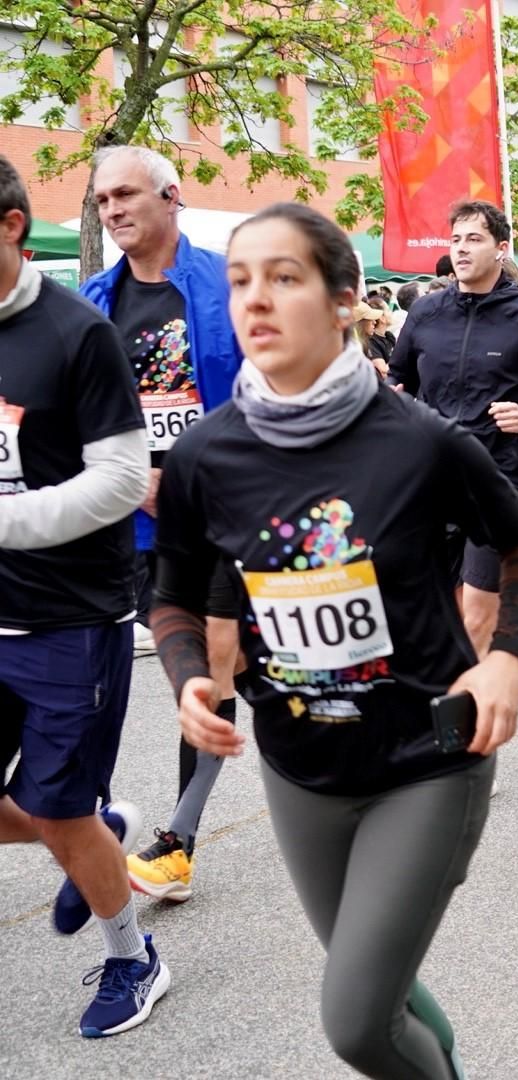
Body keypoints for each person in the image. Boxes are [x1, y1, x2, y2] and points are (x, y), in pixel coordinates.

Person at [154, 201, 518, 1076]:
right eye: (241, 280)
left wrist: (509, 662)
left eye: (283, 278)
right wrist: (188, 678)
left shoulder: (419, 441)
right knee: (382, 992)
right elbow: (173, 592)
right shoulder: (206, 457)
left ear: (342, 303)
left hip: (427, 759)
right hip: (299, 766)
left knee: (357, 1024)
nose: (256, 300)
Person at [0, 153, 165, 1038]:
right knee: (63, 818)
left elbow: (120, 479)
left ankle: (133, 959)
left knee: (57, 809)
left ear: (12, 226)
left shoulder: (76, 332)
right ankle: (96, 830)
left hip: (71, 615)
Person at [79, 145, 249, 907]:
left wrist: (184, 476)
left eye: (125, 195)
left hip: (222, 512)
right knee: (97, 669)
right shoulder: (91, 300)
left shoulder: (227, 283)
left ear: (170, 195)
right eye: (101, 200)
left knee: (210, 663)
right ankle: (97, 815)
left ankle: (178, 839)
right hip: (124, 522)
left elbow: (270, 389)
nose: (112, 210)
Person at [389, 200, 518, 740]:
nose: (461, 248)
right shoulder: (425, 314)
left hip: (502, 483)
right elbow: (400, 382)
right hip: (431, 483)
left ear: (501, 249)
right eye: (455, 238)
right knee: (442, 615)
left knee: (476, 614)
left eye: (474, 238)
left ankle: (462, 746)